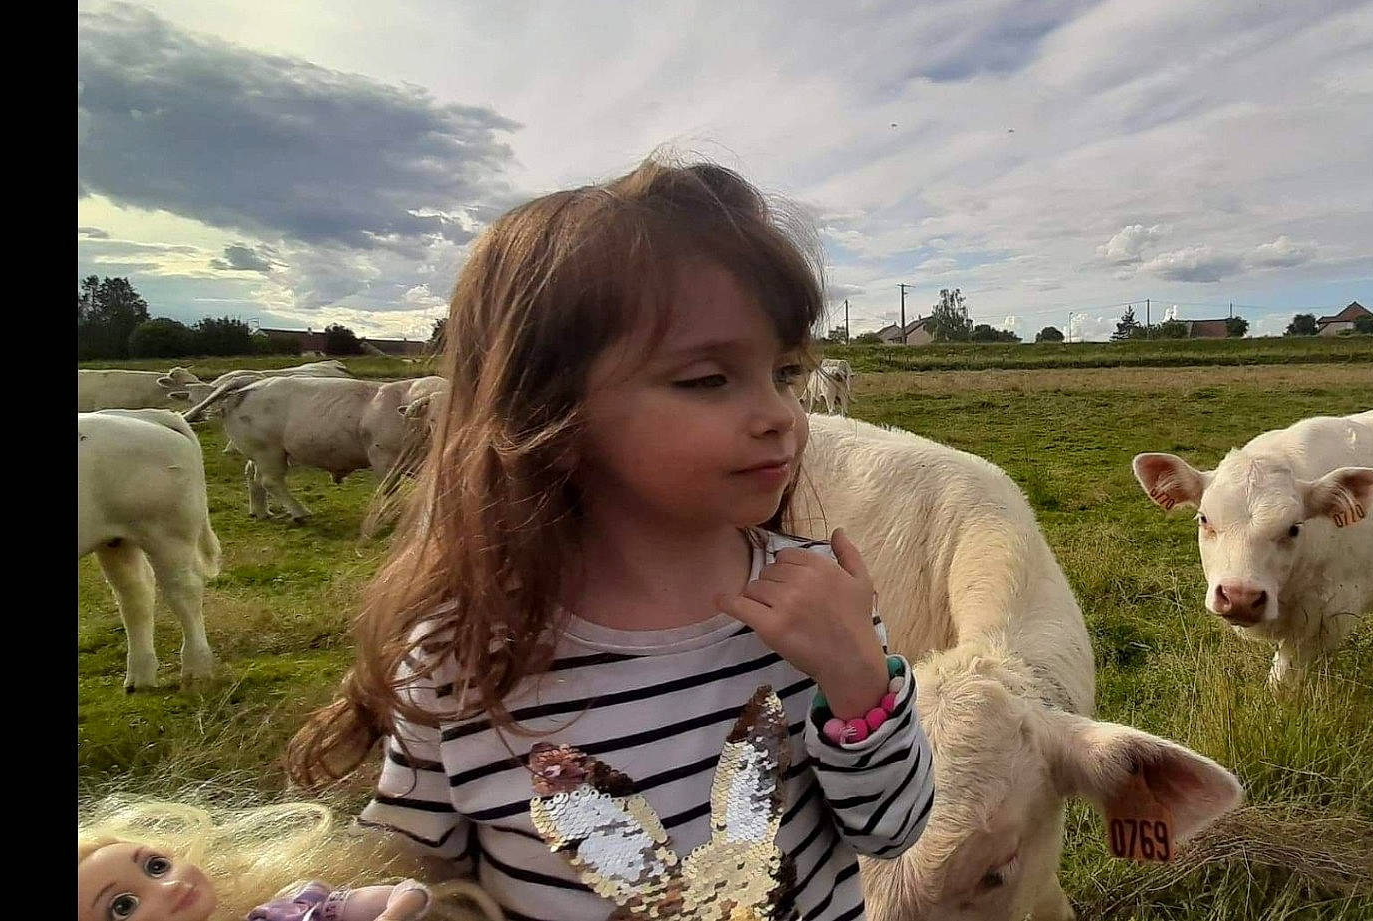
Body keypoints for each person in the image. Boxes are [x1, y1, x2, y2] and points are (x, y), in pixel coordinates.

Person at [284, 152, 935, 921]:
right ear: (547, 418)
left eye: (784, 375)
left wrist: (859, 683)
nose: (781, 416)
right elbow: (414, 865)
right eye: (707, 379)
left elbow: (891, 832)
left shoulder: (818, 601)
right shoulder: (464, 658)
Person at [76, 796, 500, 921]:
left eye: (156, 866)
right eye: (123, 907)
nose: (169, 886)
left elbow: (408, 893)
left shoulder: (286, 910)